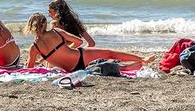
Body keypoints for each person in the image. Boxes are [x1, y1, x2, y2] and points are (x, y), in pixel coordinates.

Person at [24, 13, 153, 72]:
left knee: (99, 67)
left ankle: (127, 68)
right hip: (80, 57)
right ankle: (143, 59)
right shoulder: (56, 32)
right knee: (109, 53)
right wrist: (66, 48)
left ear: (31, 27)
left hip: (71, 70)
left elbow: (29, 68)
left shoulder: (33, 47)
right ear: (45, 24)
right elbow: (79, 41)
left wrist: (39, 62)